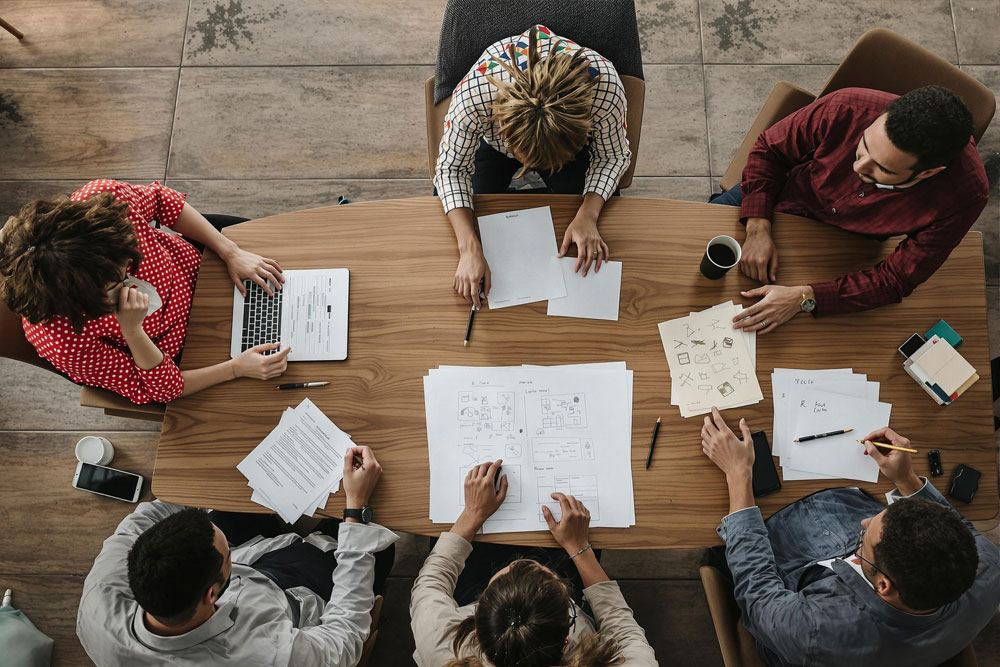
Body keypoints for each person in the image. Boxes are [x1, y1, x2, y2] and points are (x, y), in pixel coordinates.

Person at [699, 407, 1000, 666]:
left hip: (790, 578)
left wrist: (738, 473)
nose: (864, 521)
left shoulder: (816, 630)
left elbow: (758, 595)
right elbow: (960, 525)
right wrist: (905, 478)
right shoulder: (989, 568)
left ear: (884, 585)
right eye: (883, 514)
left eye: (864, 538)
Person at [77, 445, 396, 666]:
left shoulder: (99, 598)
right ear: (212, 593)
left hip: (246, 573)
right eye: (227, 552)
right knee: (380, 546)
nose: (228, 544)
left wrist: (219, 469)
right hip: (288, 595)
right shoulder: (263, 655)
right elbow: (344, 637)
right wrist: (356, 511)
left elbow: (149, 515)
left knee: (232, 502)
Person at [708, 86, 988, 334]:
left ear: (928, 173)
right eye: (864, 146)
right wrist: (758, 226)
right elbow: (769, 150)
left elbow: (896, 279)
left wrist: (805, 297)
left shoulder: (966, 195)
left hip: (847, 243)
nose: (858, 166)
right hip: (777, 194)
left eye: (882, 168)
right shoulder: (847, 106)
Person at [0, 179, 291, 403]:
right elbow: (161, 389)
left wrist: (230, 252)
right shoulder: (62, 340)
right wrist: (133, 331)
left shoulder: (103, 203)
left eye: (126, 261)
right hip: (181, 351)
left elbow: (163, 201)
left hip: (201, 264)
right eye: (115, 284)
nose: (130, 276)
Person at [434, 24, 631, 308]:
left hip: (565, 150)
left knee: (601, 221)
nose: (528, 170)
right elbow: (451, 170)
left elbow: (611, 156)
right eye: (525, 159)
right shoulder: (475, 94)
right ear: (502, 126)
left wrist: (588, 215)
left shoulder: (605, 88)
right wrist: (468, 248)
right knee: (451, 220)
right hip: (493, 148)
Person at [410, 460, 657, 666]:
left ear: (476, 630)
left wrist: (472, 514)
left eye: (502, 578)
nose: (521, 561)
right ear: (566, 641)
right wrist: (579, 548)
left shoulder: (441, 648)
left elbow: (431, 582)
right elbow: (624, 631)